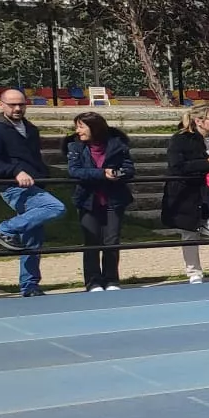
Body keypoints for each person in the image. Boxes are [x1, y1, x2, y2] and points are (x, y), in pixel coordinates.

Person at [0, 88, 65, 296]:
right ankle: (5, 229)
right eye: (12, 104)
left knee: (33, 236)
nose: (18, 108)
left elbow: (33, 158)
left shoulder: (30, 129)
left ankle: (29, 285)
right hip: (12, 186)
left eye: (21, 104)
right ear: (1, 105)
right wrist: (15, 171)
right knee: (55, 207)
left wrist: (43, 177)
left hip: (33, 184)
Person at [161, 104, 209, 283]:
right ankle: (194, 273)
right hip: (186, 191)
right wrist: (207, 163)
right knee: (189, 233)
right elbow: (178, 166)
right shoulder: (180, 139)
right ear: (199, 121)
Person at [64, 110, 134, 291]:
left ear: (94, 127)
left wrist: (117, 173)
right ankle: (93, 281)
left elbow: (129, 168)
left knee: (112, 241)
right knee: (91, 241)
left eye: (81, 127)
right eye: (76, 127)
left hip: (114, 200)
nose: (78, 131)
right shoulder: (75, 147)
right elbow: (75, 171)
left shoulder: (117, 145)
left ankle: (111, 280)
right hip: (88, 200)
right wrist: (102, 173)